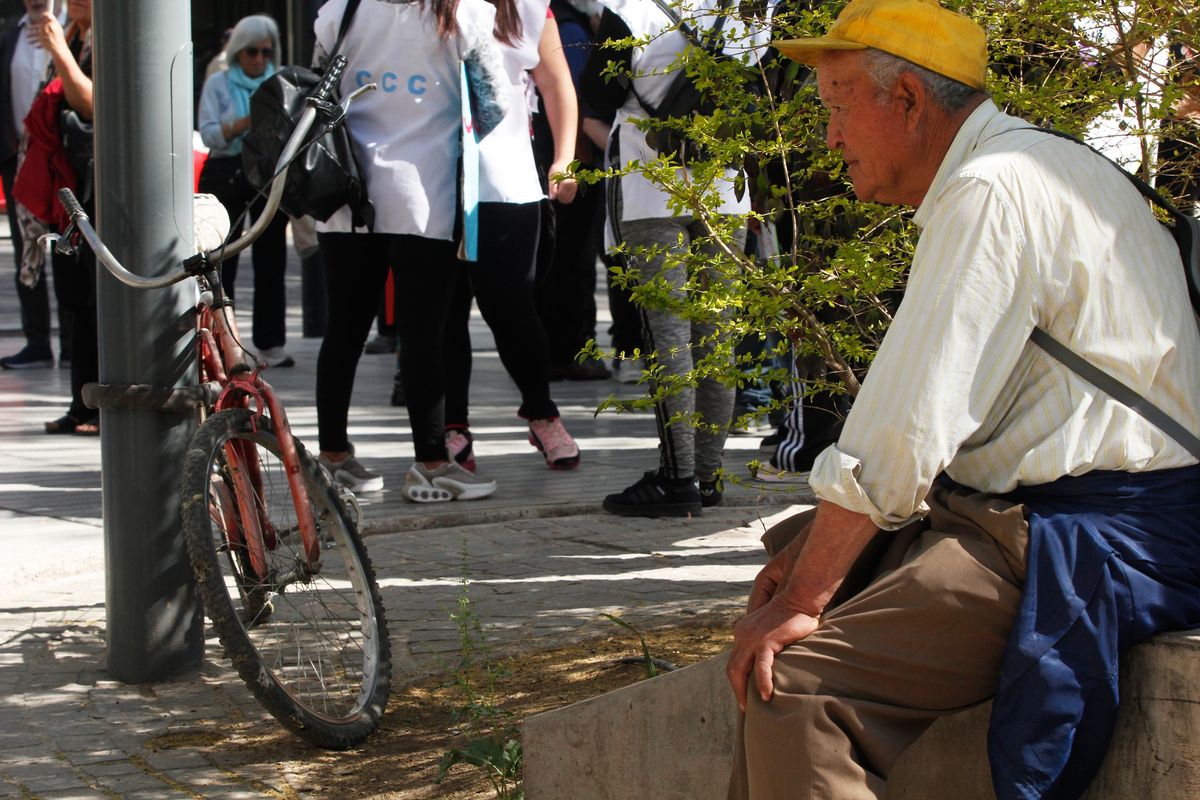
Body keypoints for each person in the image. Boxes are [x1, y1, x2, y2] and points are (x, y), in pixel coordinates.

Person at [724, 2, 1200, 799]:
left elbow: (905, 429)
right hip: (1047, 508)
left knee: (797, 688)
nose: (828, 139)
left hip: (1097, 525)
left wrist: (809, 595)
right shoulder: (1031, 163)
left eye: (837, 108)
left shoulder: (992, 188)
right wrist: (810, 566)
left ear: (906, 100)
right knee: (787, 581)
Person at [312, 0, 509, 501]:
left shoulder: (342, 10)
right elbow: (494, 103)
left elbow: (316, 88)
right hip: (424, 192)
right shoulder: (464, 14)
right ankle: (429, 463)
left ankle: (332, 457)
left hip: (346, 193)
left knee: (344, 331)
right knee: (424, 335)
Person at [583, 0, 771, 516]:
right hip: (725, 187)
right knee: (718, 334)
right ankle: (706, 475)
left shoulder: (631, 10)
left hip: (649, 182)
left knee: (667, 334)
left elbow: (596, 102)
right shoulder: (752, 14)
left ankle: (677, 478)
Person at [441, 0, 584, 475]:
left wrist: (564, 157)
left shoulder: (526, 6)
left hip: (506, 176)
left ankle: (541, 412)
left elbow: (556, 80)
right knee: (442, 310)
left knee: (513, 305)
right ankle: (451, 424)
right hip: (431, 175)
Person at [12, 0, 96, 434]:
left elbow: (92, 105)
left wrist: (58, 51)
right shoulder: (74, 35)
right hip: (68, 188)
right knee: (75, 299)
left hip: (99, 191)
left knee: (98, 302)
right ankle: (81, 403)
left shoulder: (107, 40)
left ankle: (100, 405)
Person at [196, 14, 293, 368]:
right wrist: (245, 122)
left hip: (267, 172)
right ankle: (227, 342)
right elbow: (208, 134)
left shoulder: (279, 84)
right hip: (226, 172)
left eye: (266, 52)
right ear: (238, 52)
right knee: (222, 261)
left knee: (272, 260)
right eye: (251, 52)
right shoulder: (218, 83)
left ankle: (271, 342)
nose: (259, 60)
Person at [0, 0, 63, 371]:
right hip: (20, 158)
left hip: (61, 158)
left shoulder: (72, 30)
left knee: (71, 250)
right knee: (28, 250)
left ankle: (75, 344)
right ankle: (37, 342)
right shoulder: (12, 36)